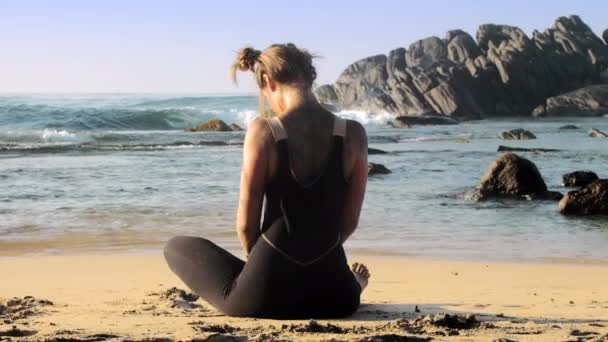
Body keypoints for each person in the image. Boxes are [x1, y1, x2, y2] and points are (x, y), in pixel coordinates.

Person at [163, 43, 370, 319]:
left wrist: (265, 267)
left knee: (176, 247)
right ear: (310, 78)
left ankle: (264, 274)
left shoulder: (263, 132)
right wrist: (316, 257)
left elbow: (246, 225)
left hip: (264, 299)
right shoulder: (354, 134)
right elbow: (349, 222)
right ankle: (354, 283)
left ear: (266, 81)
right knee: (337, 279)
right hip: (337, 298)